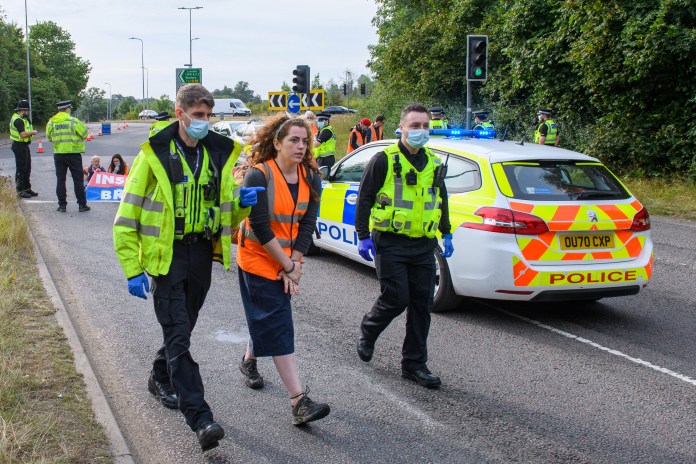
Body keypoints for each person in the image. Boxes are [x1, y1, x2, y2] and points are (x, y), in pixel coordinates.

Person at [113, 84, 261, 452]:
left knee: (184, 328)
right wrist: (132, 268)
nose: (204, 123)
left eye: (209, 116)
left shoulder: (215, 156)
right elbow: (125, 217)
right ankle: (200, 417)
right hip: (166, 259)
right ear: (180, 113)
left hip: (200, 256)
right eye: (198, 116)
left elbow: (223, 210)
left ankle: (159, 374)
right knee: (178, 334)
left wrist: (242, 204)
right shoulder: (153, 156)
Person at [236, 113, 330, 426]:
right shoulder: (259, 175)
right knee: (277, 324)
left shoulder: (311, 177)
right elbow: (261, 226)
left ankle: (249, 360)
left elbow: (307, 224)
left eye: (305, 141)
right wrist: (288, 265)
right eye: (293, 140)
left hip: (286, 262)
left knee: (268, 318)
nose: (301, 146)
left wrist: (296, 264)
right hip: (258, 260)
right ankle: (298, 400)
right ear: (277, 143)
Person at [354, 103, 454, 389]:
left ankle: (414, 364)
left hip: (424, 244)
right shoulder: (383, 159)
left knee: (422, 305)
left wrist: (446, 232)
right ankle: (368, 330)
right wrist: (362, 234)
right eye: (415, 125)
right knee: (397, 297)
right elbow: (365, 198)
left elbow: (441, 198)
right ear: (402, 128)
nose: (421, 131)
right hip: (390, 241)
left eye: (425, 126)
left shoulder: (434, 163)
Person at [46, 100, 90, 213]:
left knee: (60, 180)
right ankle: (82, 205)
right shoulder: (73, 121)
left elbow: (49, 137)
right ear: (67, 109)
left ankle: (62, 206)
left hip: (59, 154)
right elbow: (85, 134)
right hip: (73, 154)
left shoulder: (51, 122)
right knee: (78, 180)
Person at [9, 99, 39, 198]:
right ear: (23, 110)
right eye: (27, 110)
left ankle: (27, 188)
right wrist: (33, 132)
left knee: (27, 168)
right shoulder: (18, 120)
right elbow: (23, 134)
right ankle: (20, 190)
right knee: (21, 169)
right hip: (19, 145)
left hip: (24, 146)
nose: (28, 112)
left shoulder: (23, 119)